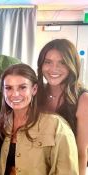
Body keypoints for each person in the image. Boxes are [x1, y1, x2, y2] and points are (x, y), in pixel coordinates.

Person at [0, 63, 79, 175]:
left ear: (34, 89)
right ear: (3, 91)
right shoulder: (1, 123)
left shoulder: (56, 125)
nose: (15, 94)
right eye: (9, 88)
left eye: (22, 87)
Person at [37, 39, 88, 175]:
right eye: (48, 62)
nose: (54, 69)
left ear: (72, 65)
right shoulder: (36, 93)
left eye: (62, 63)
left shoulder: (83, 99)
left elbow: (81, 153)